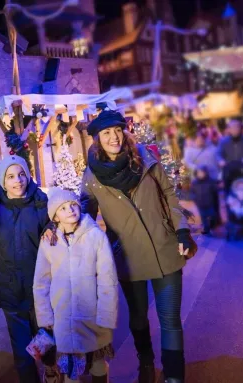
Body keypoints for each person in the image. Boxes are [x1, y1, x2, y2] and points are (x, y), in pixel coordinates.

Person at [80, 110, 197, 383]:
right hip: (128, 256)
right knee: (138, 319)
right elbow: (84, 209)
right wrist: (59, 224)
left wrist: (181, 229)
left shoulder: (145, 158)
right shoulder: (92, 174)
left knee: (169, 319)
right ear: (97, 138)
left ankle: (174, 376)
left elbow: (169, 194)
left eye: (117, 130)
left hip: (164, 247)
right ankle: (146, 363)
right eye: (106, 133)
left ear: (125, 131)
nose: (113, 137)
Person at [34, 187, 118, 383]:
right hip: (63, 316)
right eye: (62, 208)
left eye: (73, 205)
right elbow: (41, 282)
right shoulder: (49, 241)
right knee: (70, 367)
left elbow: (108, 278)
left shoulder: (95, 236)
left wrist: (107, 314)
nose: (70, 210)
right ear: (55, 217)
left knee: (97, 362)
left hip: (93, 314)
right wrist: (46, 316)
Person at [0, 155, 53, 383]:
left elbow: (56, 221)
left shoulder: (41, 203)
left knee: (47, 342)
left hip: (39, 290)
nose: (17, 181)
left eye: (21, 175)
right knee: (21, 351)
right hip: (10, 292)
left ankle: (52, 375)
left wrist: (51, 226)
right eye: (10, 177)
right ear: (2, 181)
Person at [190, 166, 220, 235]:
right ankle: (206, 229)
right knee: (203, 217)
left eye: (202, 172)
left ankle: (212, 227)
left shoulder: (210, 181)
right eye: (198, 173)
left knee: (212, 216)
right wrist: (194, 199)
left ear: (205, 173)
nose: (200, 174)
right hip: (200, 204)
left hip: (210, 203)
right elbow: (192, 192)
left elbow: (215, 191)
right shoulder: (195, 182)